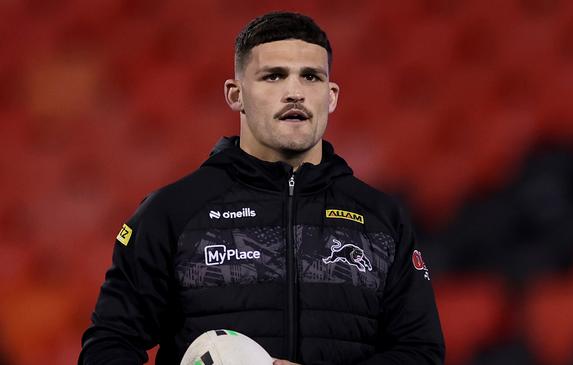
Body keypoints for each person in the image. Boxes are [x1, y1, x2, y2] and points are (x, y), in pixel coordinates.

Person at [79, 11, 445, 365]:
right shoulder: (172, 212)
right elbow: (109, 344)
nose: (295, 93)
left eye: (311, 77)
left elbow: (420, 352)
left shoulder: (382, 219)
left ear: (331, 96)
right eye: (273, 76)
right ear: (235, 94)